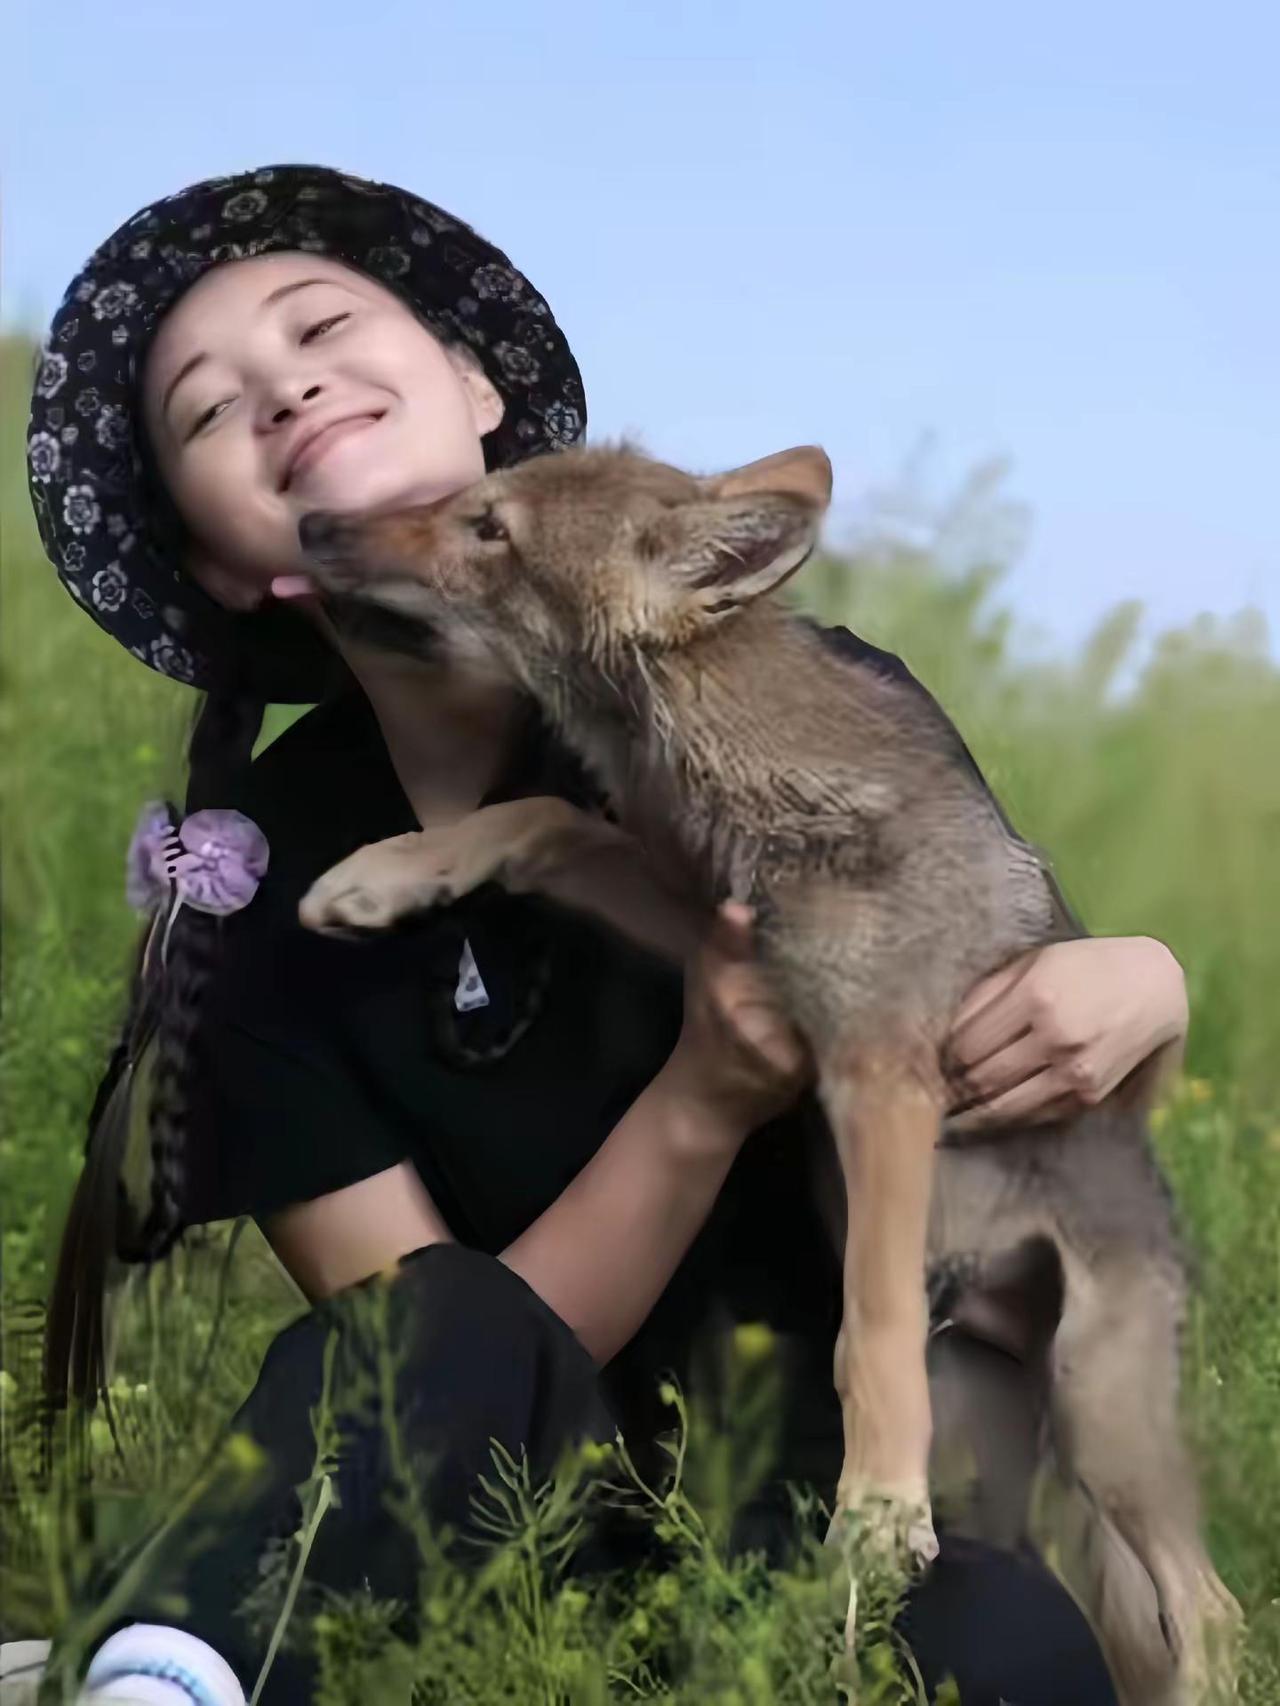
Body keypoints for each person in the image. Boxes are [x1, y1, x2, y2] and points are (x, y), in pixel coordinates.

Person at [26, 163, 1189, 1705]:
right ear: (232, 569)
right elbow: (444, 1379)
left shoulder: (796, 701)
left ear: (478, 381)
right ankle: (164, 1678)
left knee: (1014, 1648)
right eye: (206, 409)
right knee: (419, 1325)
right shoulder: (249, 898)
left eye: (319, 324)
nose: (283, 380)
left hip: (809, 1512)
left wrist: (1145, 991)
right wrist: (702, 1096)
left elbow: (1000, 1041)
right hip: (493, 1532)